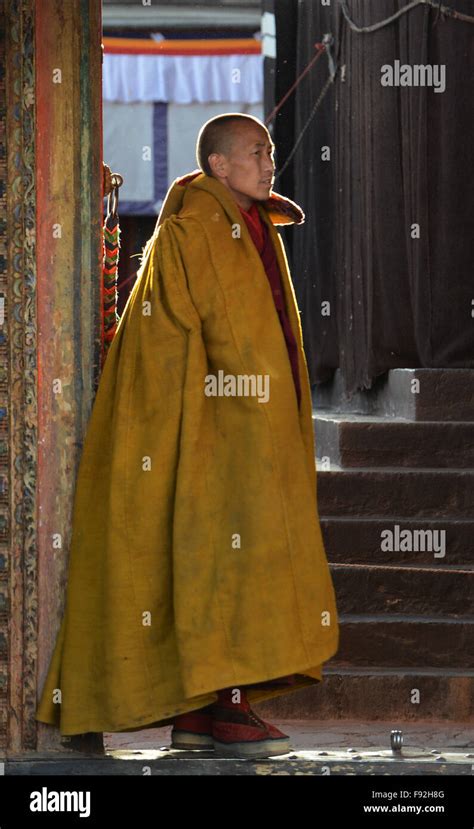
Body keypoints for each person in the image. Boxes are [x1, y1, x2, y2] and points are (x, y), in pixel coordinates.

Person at [35, 113, 339, 760]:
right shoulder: (198, 228)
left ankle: (204, 714)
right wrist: (246, 422)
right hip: (210, 424)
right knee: (222, 555)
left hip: (236, 421)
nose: (269, 162)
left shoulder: (247, 225)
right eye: (257, 152)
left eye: (271, 151)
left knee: (228, 553)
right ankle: (224, 705)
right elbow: (224, 340)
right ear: (219, 167)